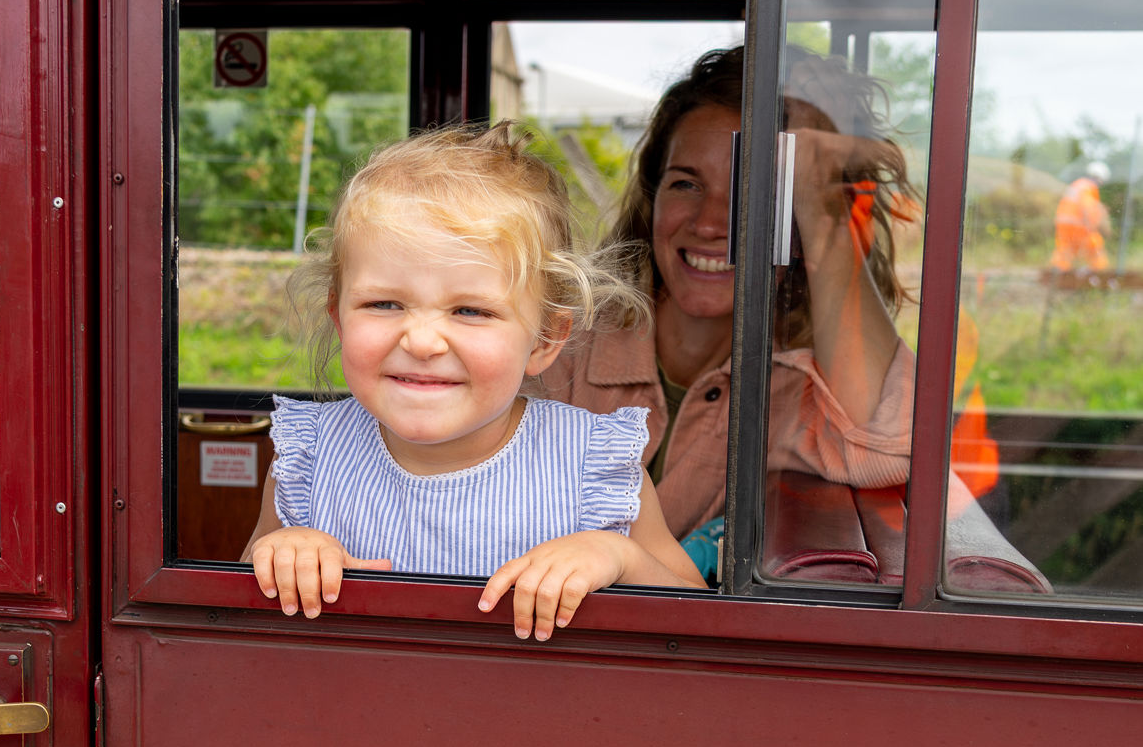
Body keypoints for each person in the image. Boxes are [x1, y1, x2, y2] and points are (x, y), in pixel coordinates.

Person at [241, 122, 707, 641]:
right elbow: (235, 604)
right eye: (383, 304)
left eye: (470, 310)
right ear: (339, 317)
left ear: (545, 339)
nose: (421, 341)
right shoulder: (310, 459)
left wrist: (620, 557)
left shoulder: (594, 467)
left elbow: (697, 617)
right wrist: (281, 553)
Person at [538, 46, 920, 571]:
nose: (712, 223)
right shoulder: (557, 340)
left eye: (753, 192)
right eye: (686, 184)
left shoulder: (801, 384)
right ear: (653, 200)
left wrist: (823, 211)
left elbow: (885, 452)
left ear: (799, 222)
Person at [1051, 161, 1113, 273]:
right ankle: (1099, 272)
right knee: (1094, 246)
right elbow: (1087, 206)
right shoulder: (1089, 187)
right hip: (1078, 224)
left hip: (1063, 223)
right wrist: (1092, 225)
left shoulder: (1077, 184)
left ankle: (1058, 274)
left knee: (1065, 248)